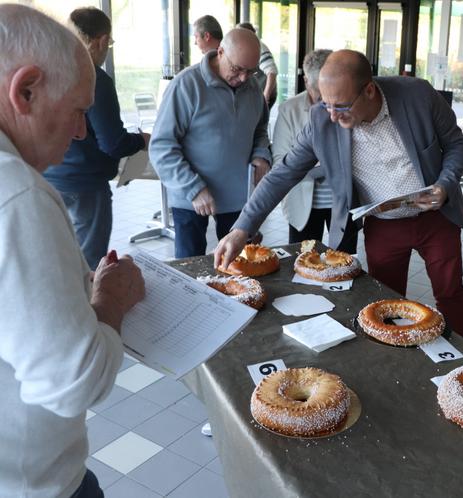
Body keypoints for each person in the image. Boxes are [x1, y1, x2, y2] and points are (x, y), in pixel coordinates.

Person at [214, 50, 463, 336]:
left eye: (341, 106)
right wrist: (242, 228)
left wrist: (445, 184)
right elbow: (282, 174)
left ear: (369, 90)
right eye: (326, 104)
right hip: (383, 224)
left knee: (449, 293)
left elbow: (456, 144)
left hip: (436, 218)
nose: (333, 116)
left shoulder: (417, 96)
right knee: (386, 302)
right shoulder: (322, 119)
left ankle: (459, 356)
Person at [0, 5, 145, 497]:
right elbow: (75, 383)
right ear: (26, 90)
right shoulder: (16, 196)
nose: (81, 132)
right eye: (77, 110)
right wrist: (110, 302)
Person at [43, 7, 149, 270]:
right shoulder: (93, 78)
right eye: (109, 43)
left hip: (48, 178)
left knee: (59, 258)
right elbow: (112, 143)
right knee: (89, 264)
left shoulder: (49, 69)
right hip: (85, 183)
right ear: (101, 40)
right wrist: (141, 140)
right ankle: (89, 309)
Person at [150, 28, 271, 258]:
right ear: (220, 52)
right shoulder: (186, 85)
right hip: (191, 196)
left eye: (251, 71)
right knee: (191, 268)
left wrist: (260, 154)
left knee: (239, 266)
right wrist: (193, 188)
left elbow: (260, 130)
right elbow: (161, 147)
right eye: (237, 69)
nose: (244, 78)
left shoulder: (253, 87)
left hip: (238, 197)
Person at [273, 49, 358, 253]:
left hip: (343, 200)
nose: (328, 107)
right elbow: (281, 161)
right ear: (306, 82)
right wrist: (329, 164)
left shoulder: (351, 104)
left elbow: (356, 156)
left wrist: (312, 163)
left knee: (343, 260)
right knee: (303, 260)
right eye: (320, 95)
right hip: (302, 203)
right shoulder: (288, 110)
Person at [237, 22, 278, 110]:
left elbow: (272, 72)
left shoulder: (259, 47)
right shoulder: (248, 47)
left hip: (262, 93)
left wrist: (265, 96)